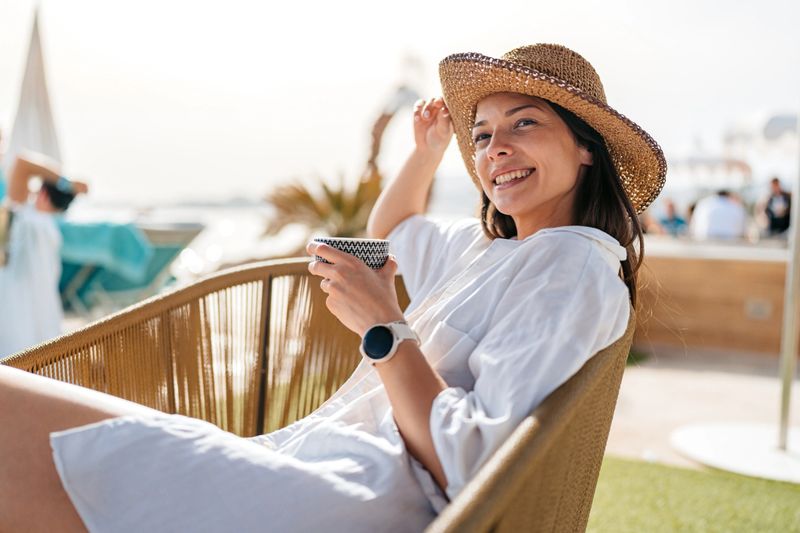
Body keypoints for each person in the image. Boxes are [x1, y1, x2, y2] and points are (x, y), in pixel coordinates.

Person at [0, 44, 666, 532]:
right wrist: (427, 153)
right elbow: (395, 227)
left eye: (525, 124)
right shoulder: (493, 249)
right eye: (484, 134)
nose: (493, 149)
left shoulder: (570, 270)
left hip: (352, 500)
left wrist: (384, 326)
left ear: (586, 148)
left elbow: (472, 460)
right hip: (316, 464)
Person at [0, 151, 89, 356]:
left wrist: (67, 183)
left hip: (12, 327)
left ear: (42, 194)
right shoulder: (50, 230)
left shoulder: (24, 219)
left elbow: (22, 162)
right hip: (43, 327)